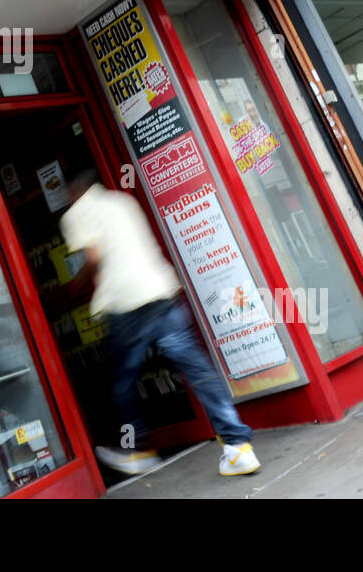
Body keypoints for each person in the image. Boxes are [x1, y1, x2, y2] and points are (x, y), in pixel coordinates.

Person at [59, 172, 260, 477]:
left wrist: (75, 284)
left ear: (75, 190)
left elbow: (95, 255)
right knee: (196, 368)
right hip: (160, 290)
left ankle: (136, 449)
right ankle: (237, 447)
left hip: (126, 303)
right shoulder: (121, 201)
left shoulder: (76, 214)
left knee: (122, 380)